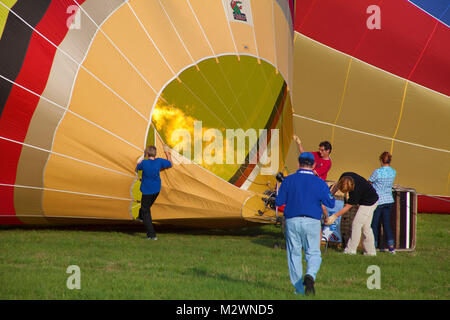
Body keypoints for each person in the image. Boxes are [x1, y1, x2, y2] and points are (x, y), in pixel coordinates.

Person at [276, 152, 335, 295]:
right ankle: (310, 275)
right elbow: (331, 203)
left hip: (292, 220)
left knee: (294, 254)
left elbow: (278, 202)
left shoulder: (288, 180)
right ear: (314, 165)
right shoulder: (319, 182)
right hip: (312, 221)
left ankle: (299, 290)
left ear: (298, 164)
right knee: (313, 252)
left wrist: (281, 186)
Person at [327, 172, 378, 256]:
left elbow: (347, 207)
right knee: (366, 227)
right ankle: (371, 252)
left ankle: (350, 250)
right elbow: (336, 185)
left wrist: (334, 216)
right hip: (367, 200)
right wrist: (330, 195)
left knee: (356, 225)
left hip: (369, 203)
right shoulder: (344, 175)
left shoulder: (355, 192)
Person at [136, 145, 172, 240]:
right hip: (156, 190)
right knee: (145, 208)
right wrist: (167, 153)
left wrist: (143, 156)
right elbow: (170, 163)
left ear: (147, 154)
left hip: (147, 191)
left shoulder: (144, 162)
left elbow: (137, 167)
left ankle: (152, 235)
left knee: (146, 212)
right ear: (155, 154)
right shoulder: (159, 161)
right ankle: (140, 216)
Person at [369, 152, 397, 254]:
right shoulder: (393, 172)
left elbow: (370, 183)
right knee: (386, 224)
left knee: (374, 224)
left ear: (381, 160)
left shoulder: (377, 172)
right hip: (389, 200)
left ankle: (374, 245)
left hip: (378, 201)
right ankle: (391, 247)